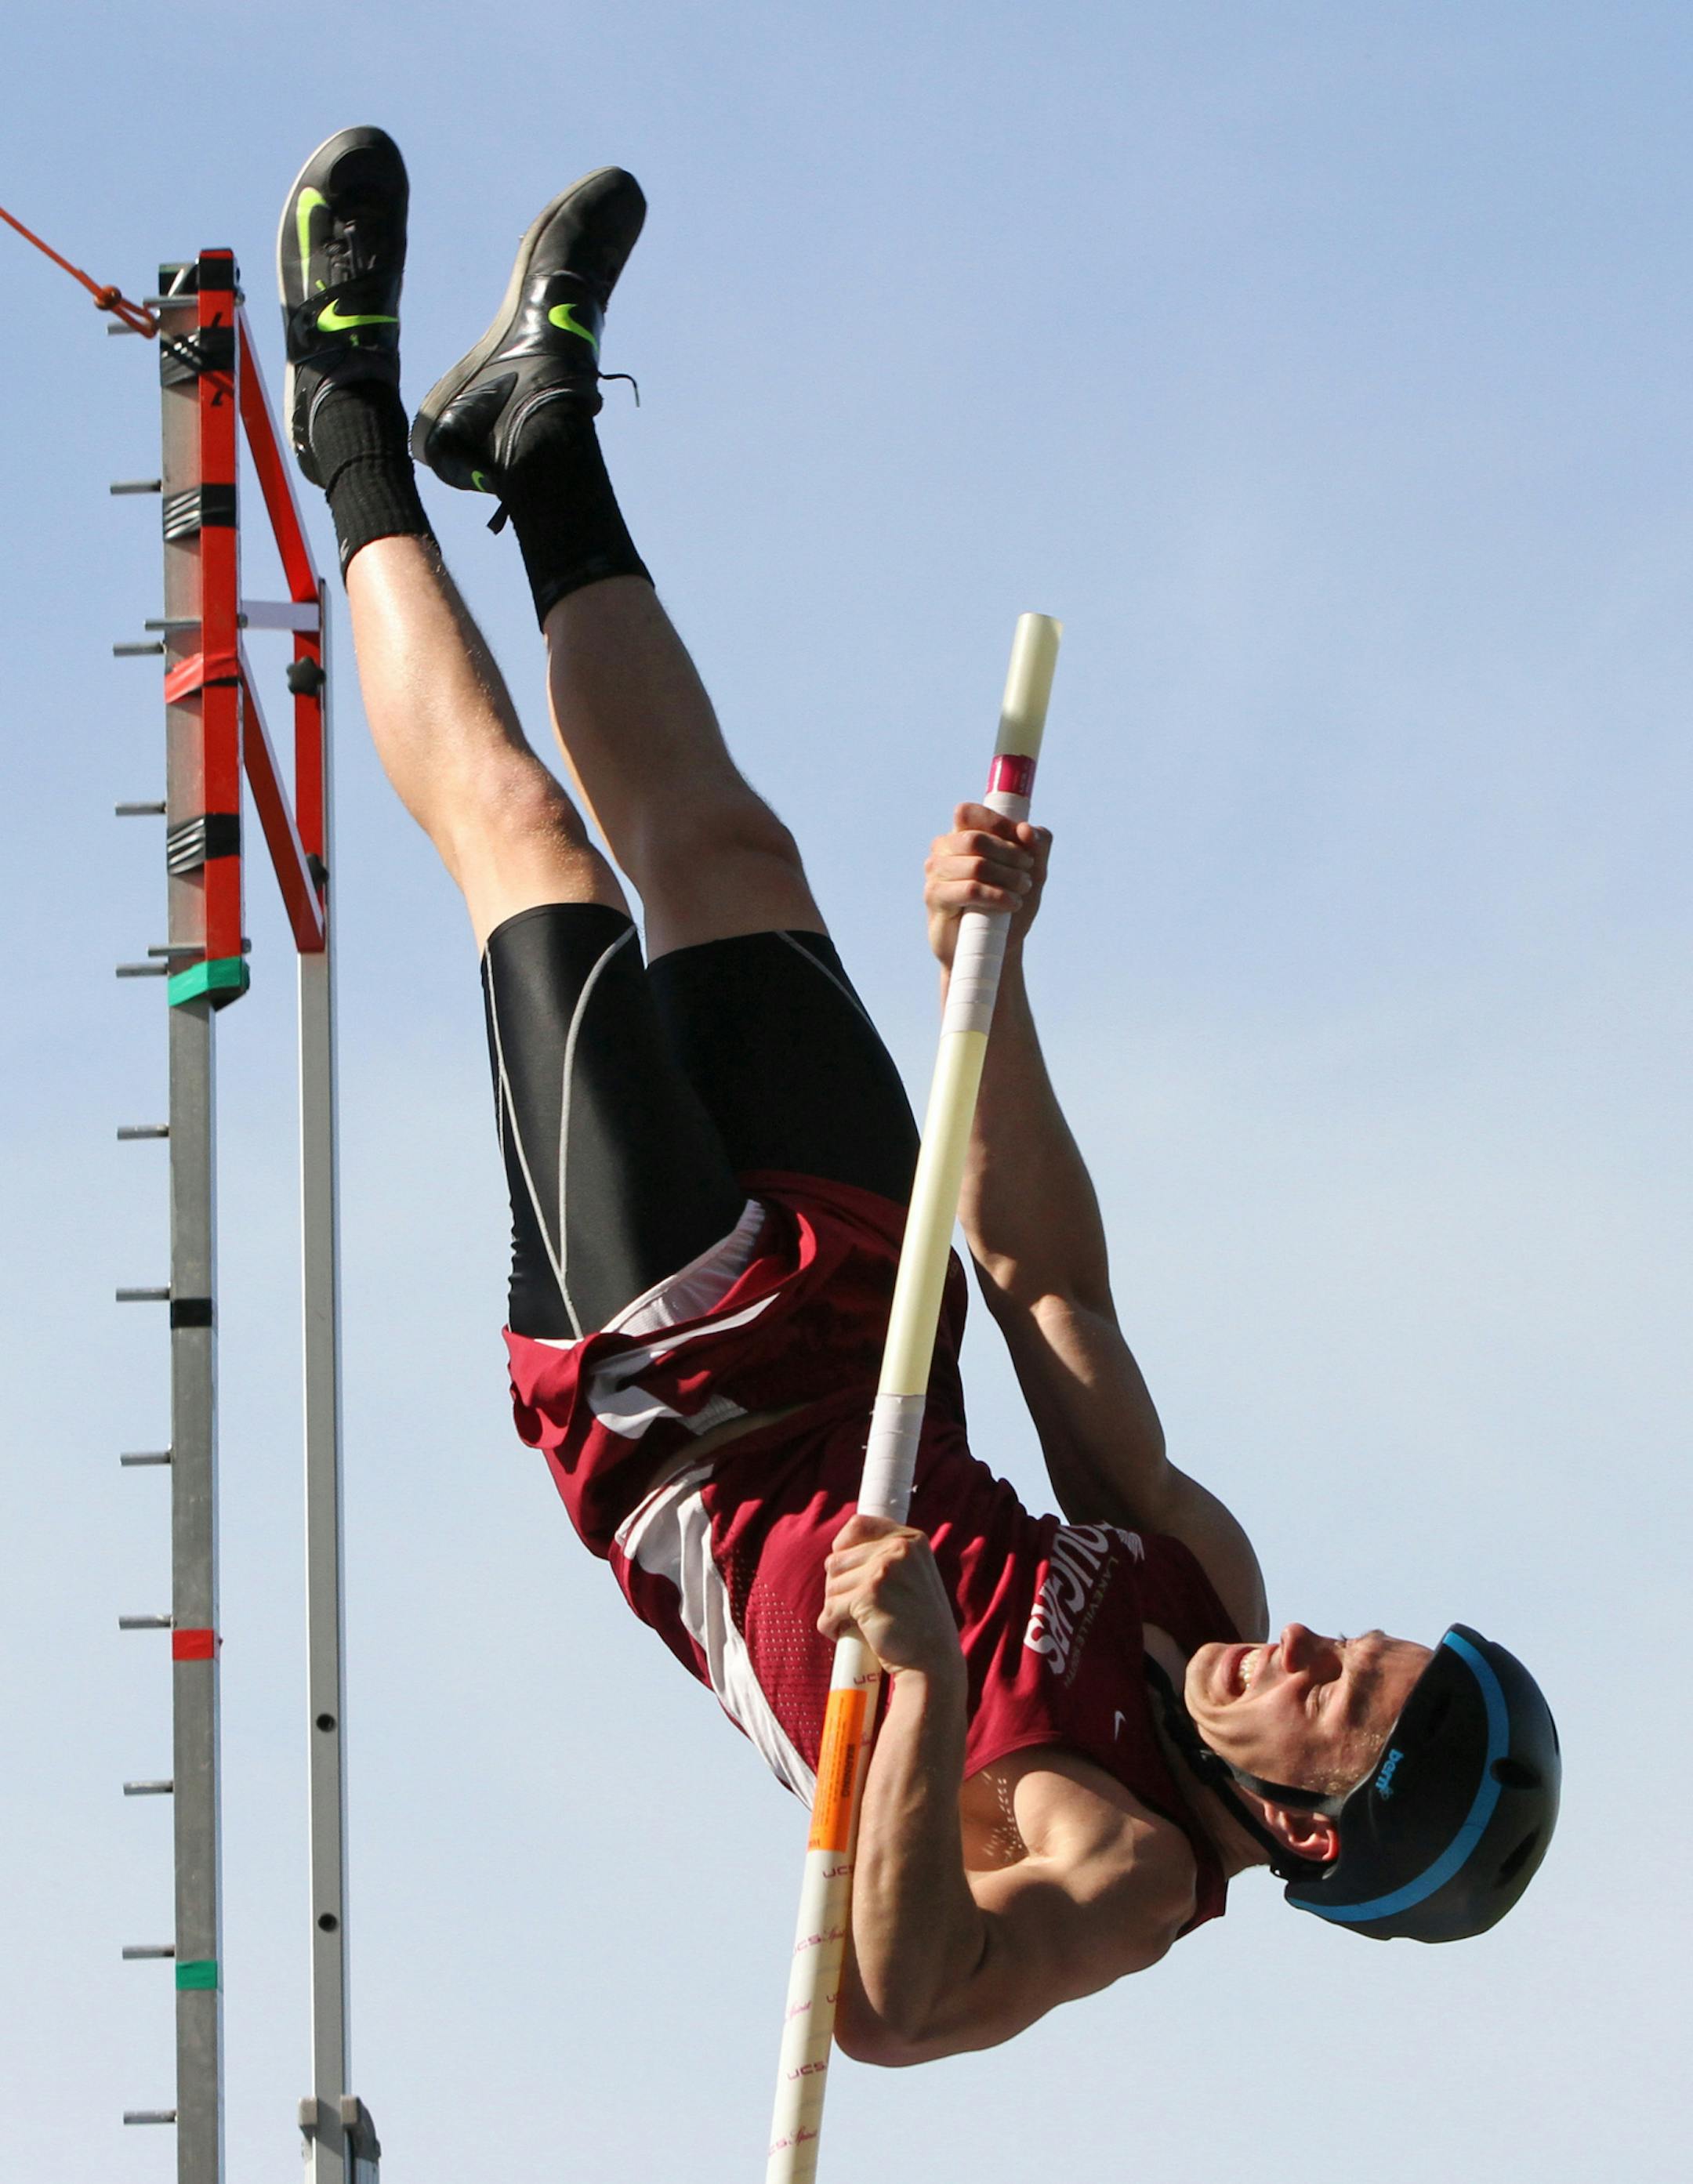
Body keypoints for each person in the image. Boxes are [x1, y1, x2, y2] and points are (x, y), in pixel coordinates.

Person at [279, 127, 1561, 2064]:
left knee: (535, 851)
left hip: (690, 1420)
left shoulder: (1124, 1863)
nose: (1301, 1640)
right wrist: (993, 970)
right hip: (872, 1324)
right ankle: (535, 434)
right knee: (729, 849)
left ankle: (348, 420)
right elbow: (1045, 1285)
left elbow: (885, 2004)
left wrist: (929, 1694)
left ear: (1312, 1827)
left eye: (1337, 1696)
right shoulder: (1205, 1578)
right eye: (1355, 1640)